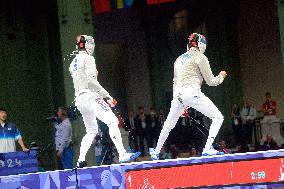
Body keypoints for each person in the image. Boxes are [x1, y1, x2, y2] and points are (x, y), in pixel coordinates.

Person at [149, 33, 227, 160]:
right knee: (218, 117)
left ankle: (156, 152)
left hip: (178, 96)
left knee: (168, 125)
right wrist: (221, 76)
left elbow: (175, 82)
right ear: (201, 45)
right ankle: (207, 149)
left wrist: (181, 103)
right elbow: (211, 81)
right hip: (192, 93)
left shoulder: (178, 59)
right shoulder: (201, 57)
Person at [69, 35, 140, 167]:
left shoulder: (73, 63)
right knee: (112, 121)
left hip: (80, 100)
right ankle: (122, 154)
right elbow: (91, 82)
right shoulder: (89, 58)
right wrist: (108, 97)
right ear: (87, 45)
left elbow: (84, 79)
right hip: (90, 97)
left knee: (91, 131)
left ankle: (81, 159)